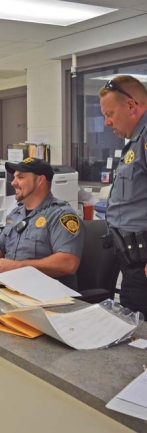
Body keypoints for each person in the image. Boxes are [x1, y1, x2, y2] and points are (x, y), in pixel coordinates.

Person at [0, 158, 84, 290]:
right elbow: (0, 246)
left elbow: (68, 263)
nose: (13, 182)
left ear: (40, 181)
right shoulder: (16, 214)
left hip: (48, 295)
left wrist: (17, 266)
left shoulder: (61, 216)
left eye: (20, 177)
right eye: (14, 177)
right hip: (13, 289)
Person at [99, 75, 147, 316]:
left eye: (109, 114)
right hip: (132, 261)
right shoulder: (136, 141)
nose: (106, 122)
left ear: (130, 105)